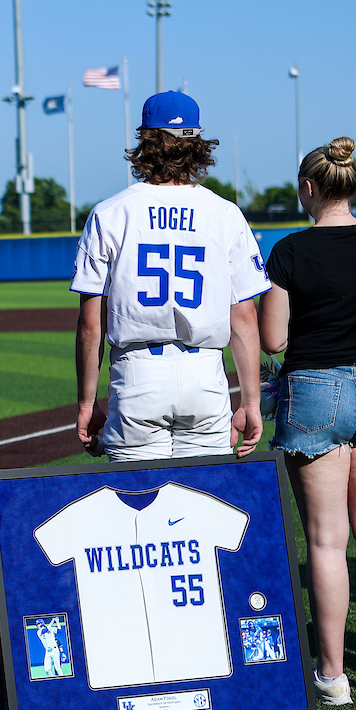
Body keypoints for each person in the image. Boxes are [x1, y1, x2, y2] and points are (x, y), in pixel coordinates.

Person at [259, 136, 356, 705]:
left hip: (315, 389)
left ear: (309, 188)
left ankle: (333, 674)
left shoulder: (290, 251)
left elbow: (274, 338)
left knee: (327, 542)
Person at [73, 92, 271, 462]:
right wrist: (250, 401)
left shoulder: (109, 213)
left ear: (145, 144)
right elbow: (244, 316)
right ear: (197, 145)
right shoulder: (225, 214)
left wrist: (87, 402)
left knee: (138, 505)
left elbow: (90, 325)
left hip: (137, 376)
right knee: (205, 504)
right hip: (205, 376)